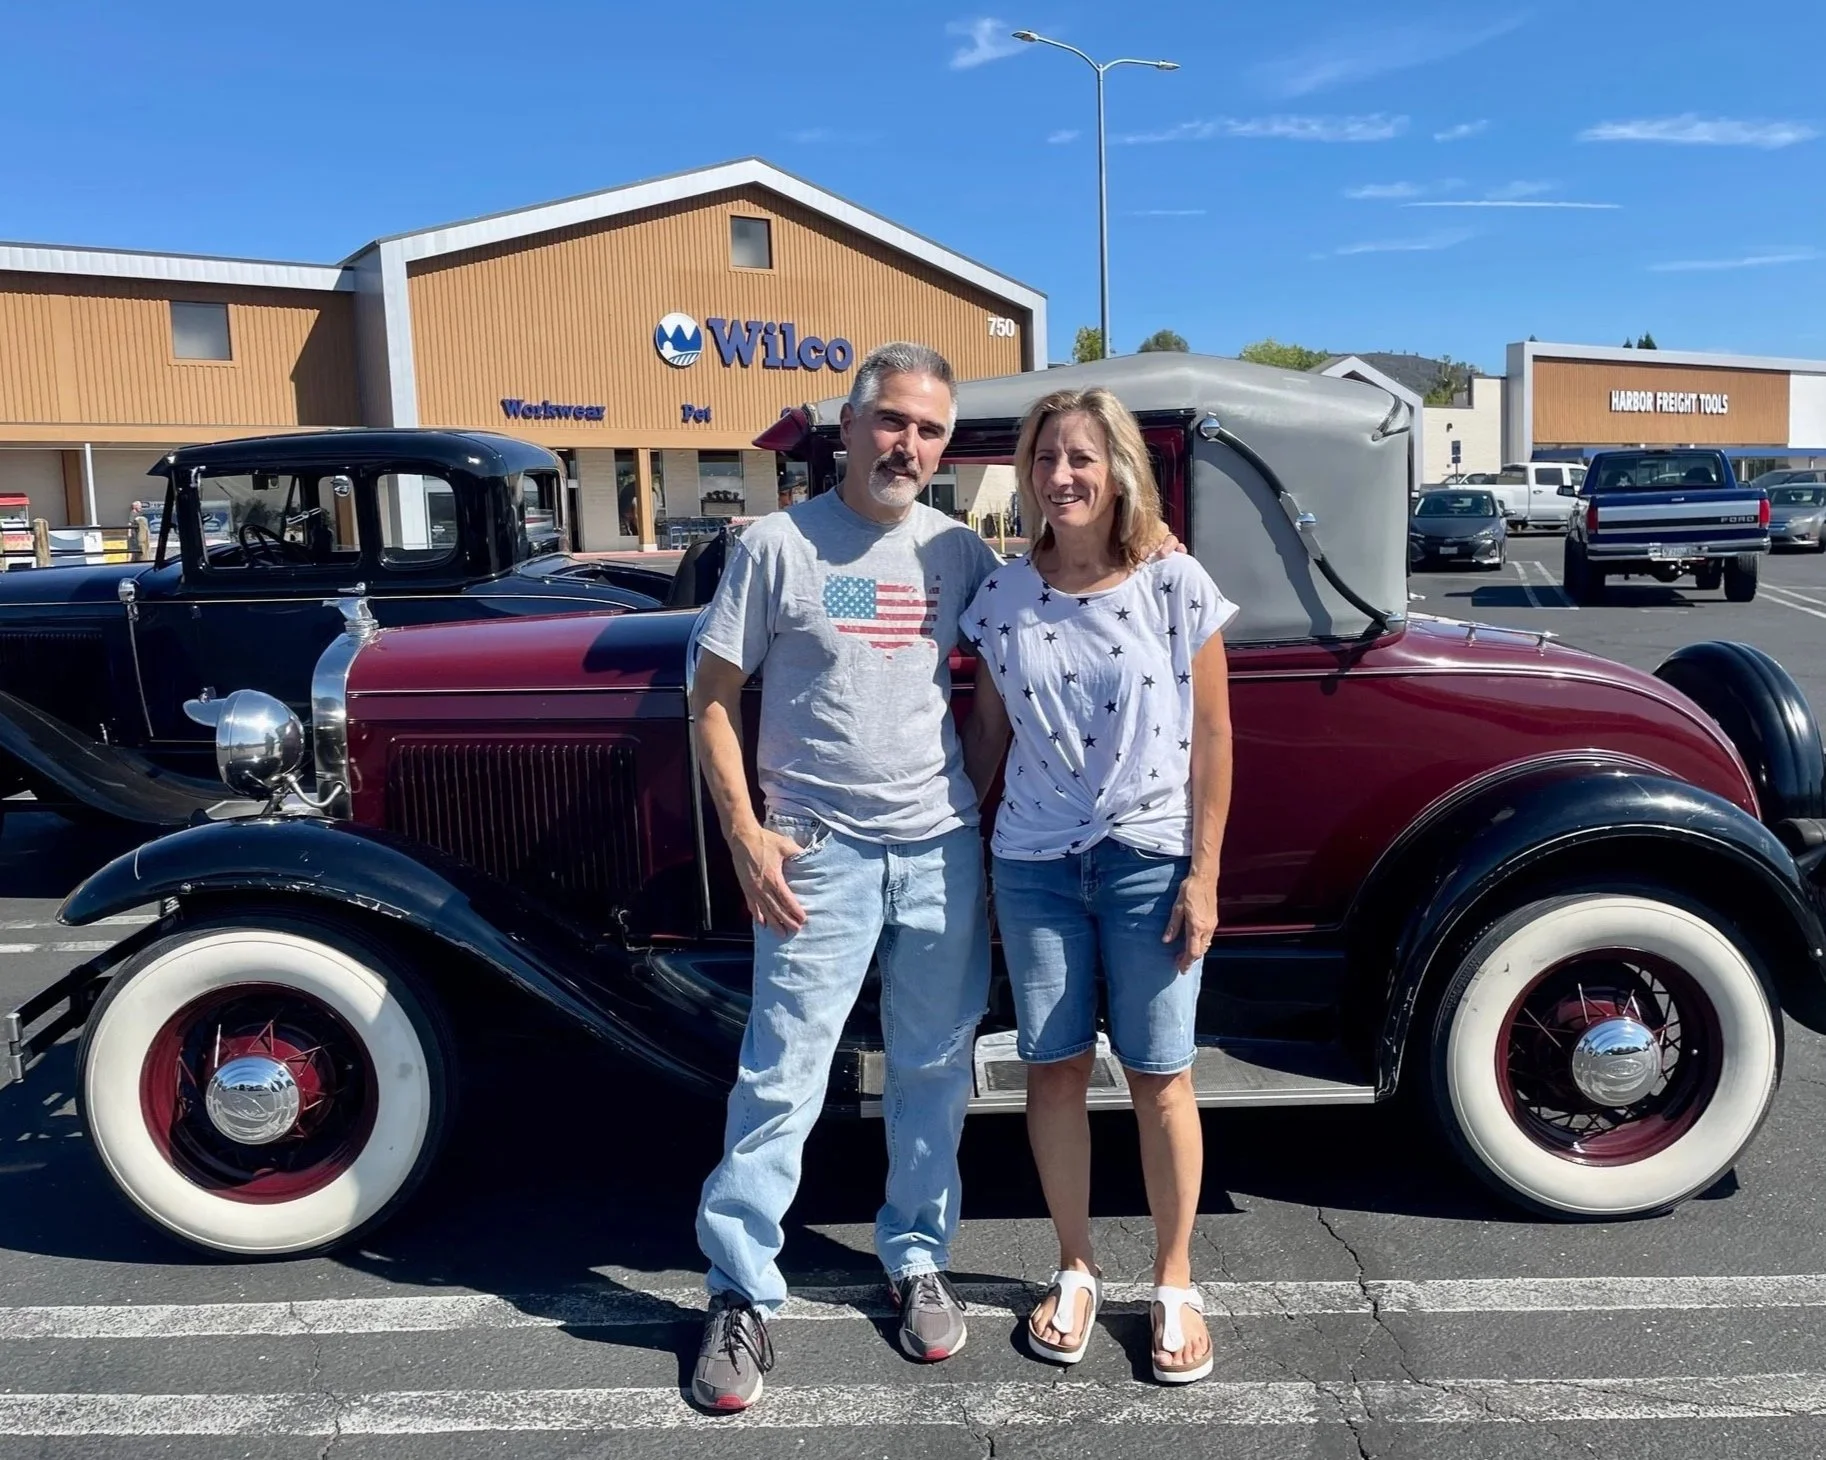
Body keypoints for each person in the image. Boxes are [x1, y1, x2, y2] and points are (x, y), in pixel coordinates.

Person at [687, 342, 1001, 1413]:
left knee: (932, 1068)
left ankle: (914, 1255)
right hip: (813, 848)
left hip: (936, 847)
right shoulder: (776, 546)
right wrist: (744, 830)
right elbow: (714, 695)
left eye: (925, 428)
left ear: (941, 445)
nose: (903, 443)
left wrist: (970, 800)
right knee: (782, 1075)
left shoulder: (959, 551)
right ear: (846, 426)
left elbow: (1005, 672)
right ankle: (738, 1290)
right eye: (887, 420)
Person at [961, 386, 1237, 1386]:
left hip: (1146, 857)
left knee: (1161, 1071)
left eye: (1080, 456)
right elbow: (987, 735)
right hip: (1032, 862)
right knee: (1054, 1065)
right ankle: (1074, 1264)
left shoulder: (1171, 583)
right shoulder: (1000, 594)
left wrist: (1202, 874)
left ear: (1117, 466)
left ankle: (1172, 1279)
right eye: (1043, 458)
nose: (1060, 475)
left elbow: (1211, 736)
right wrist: (945, 836)